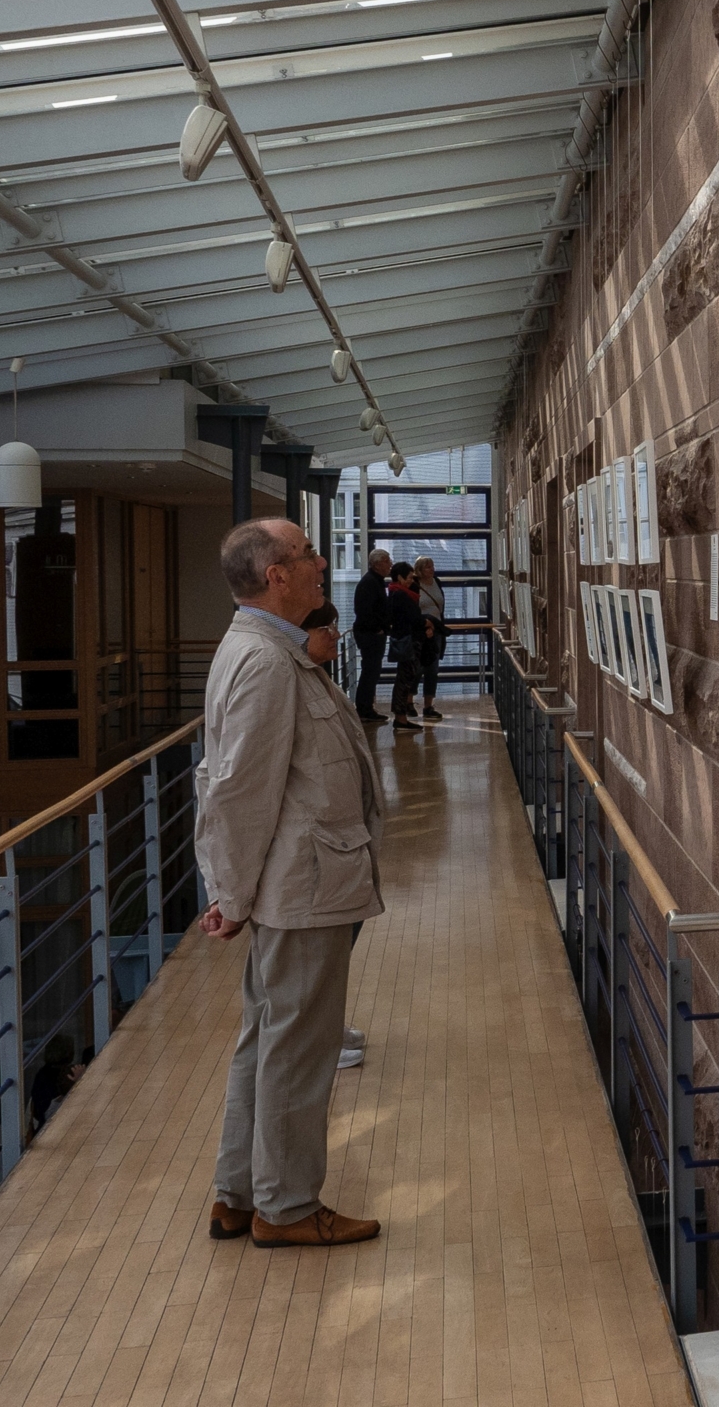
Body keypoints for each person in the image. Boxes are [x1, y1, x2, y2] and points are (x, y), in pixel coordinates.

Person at [196, 516, 384, 1249]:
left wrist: (231, 890)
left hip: (300, 882)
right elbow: (238, 791)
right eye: (306, 555)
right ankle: (288, 1207)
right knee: (299, 1051)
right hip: (301, 889)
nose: (319, 564)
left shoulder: (268, 650)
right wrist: (232, 895)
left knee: (269, 1039)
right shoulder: (267, 663)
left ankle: (241, 1195)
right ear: (276, 575)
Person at [301, 603, 369, 1073]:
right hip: (315, 844)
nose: (336, 635)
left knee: (334, 945)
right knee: (313, 955)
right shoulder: (278, 676)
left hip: (341, 839)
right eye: (324, 627)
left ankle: (327, 1025)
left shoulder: (319, 678)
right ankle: (317, 1040)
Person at [384, 561, 427, 733]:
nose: (411, 581)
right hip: (408, 641)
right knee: (405, 679)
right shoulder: (402, 595)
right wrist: (427, 624)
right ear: (400, 577)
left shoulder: (395, 592)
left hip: (403, 639)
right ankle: (400, 718)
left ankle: (400, 716)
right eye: (409, 577)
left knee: (403, 678)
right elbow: (415, 617)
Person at [351, 548, 392, 722]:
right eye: (387, 561)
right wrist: (377, 629)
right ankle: (364, 708)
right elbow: (364, 611)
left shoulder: (375, 581)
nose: (390, 564)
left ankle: (366, 707)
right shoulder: (370, 583)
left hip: (371, 633)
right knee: (370, 672)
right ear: (376, 564)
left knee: (372, 672)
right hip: (370, 634)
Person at [412, 556, 447, 722]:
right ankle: (409, 701)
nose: (432, 569)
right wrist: (424, 626)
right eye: (428, 567)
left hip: (436, 631)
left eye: (432, 566)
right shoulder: (415, 584)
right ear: (419, 569)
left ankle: (428, 705)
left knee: (433, 669)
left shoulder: (436, 582)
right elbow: (413, 609)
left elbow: (440, 607)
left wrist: (436, 626)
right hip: (421, 632)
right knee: (417, 668)